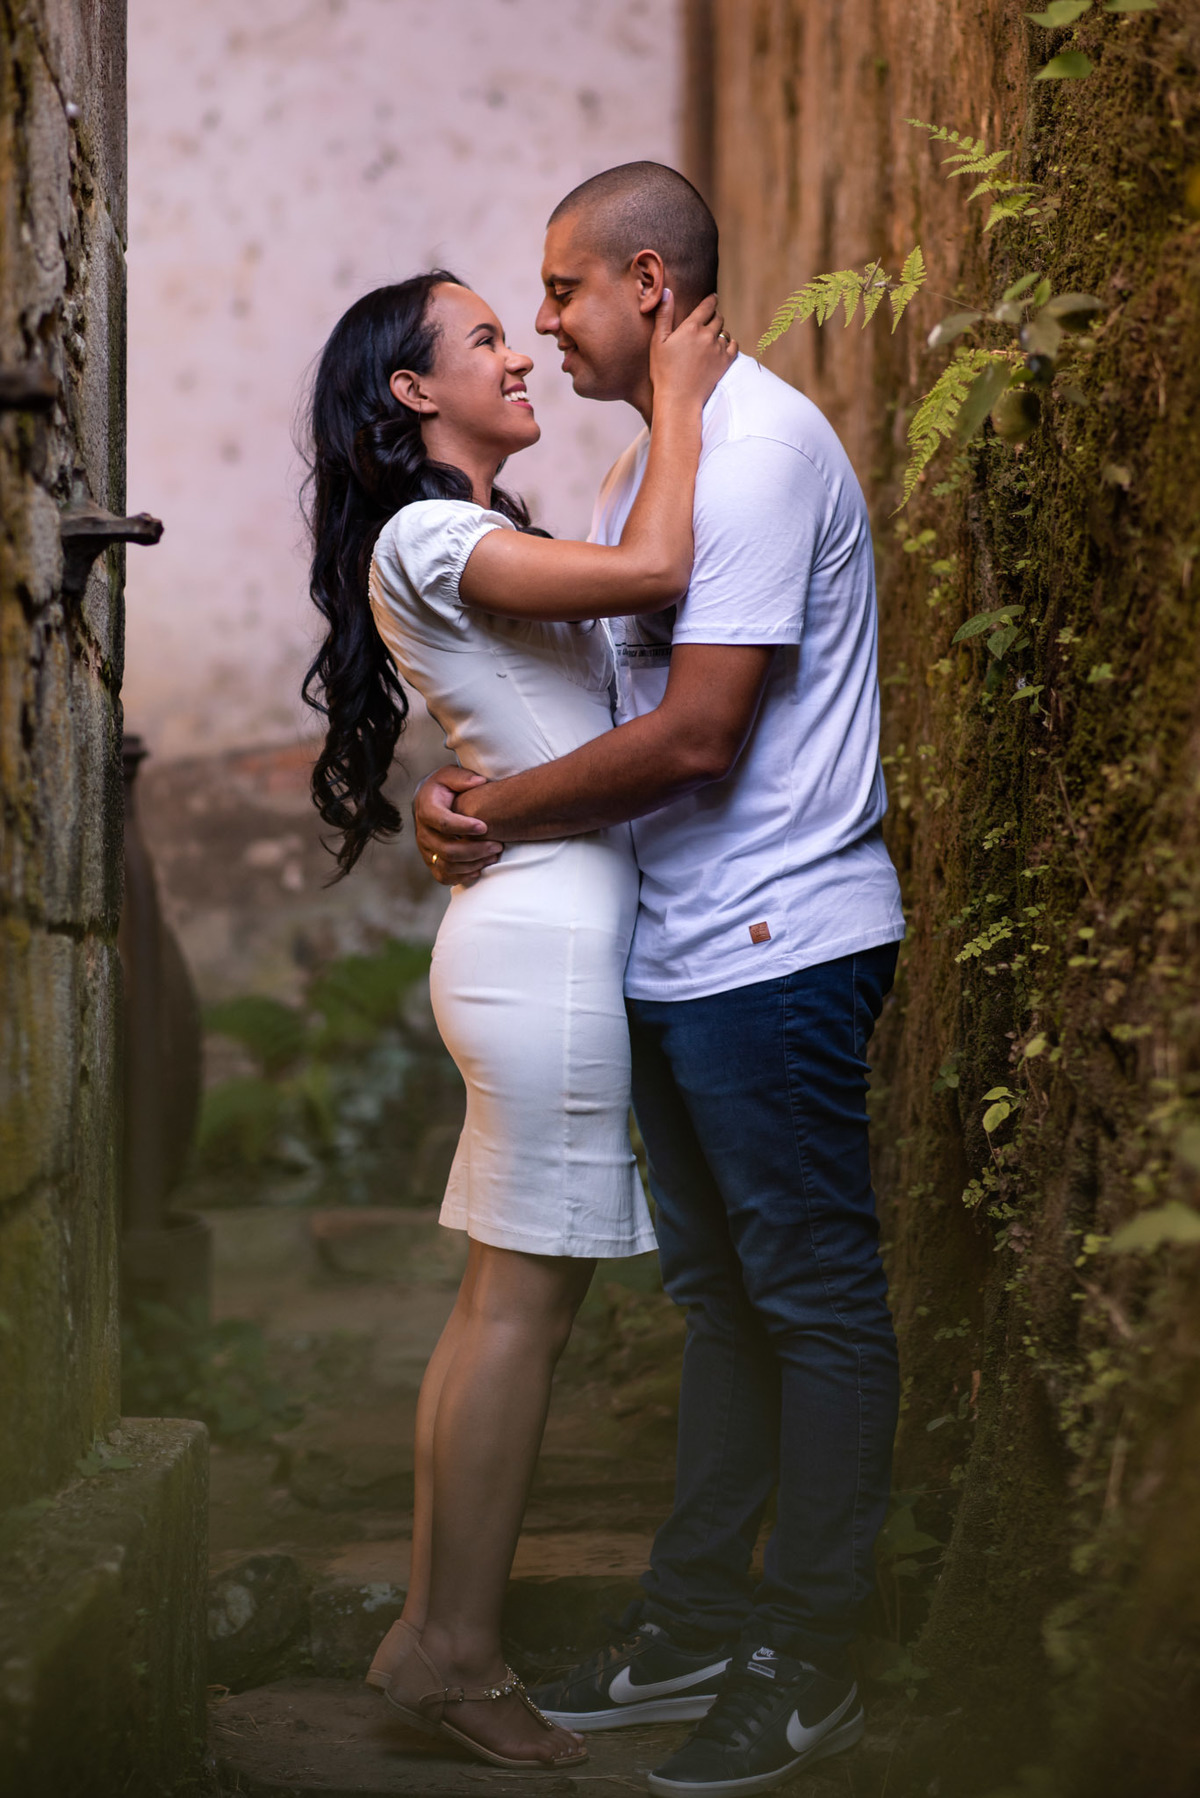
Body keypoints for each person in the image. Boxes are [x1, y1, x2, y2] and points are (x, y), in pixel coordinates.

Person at [411, 162, 906, 1798]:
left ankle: (808, 1656)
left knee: (815, 1301)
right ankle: (694, 1621)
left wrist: (488, 812)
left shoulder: (750, 450)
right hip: (686, 951)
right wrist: (475, 791)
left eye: (557, 292)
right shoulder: (655, 456)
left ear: (642, 277)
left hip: (777, 941)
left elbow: (698, 737)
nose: (545, 325)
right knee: (723, 1302)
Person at [301, 268, 735, 1772]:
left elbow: (541, 707)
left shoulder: (471, 535)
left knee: (500, 1309)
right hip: (540, 949)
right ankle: (464, 1655)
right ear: (415, 393)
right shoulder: (435, 531)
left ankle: (433, 1634)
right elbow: (666, 565)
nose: (519, 351)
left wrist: (454, 794)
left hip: (530, 932)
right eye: (486, 336)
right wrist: (681, 396)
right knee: (522, 1318)